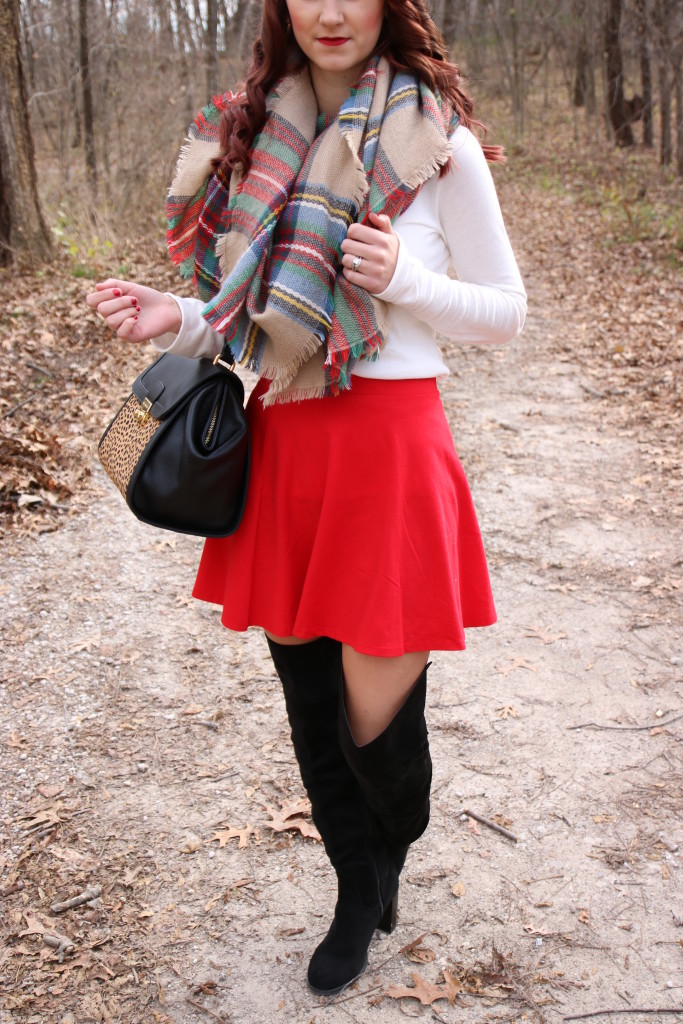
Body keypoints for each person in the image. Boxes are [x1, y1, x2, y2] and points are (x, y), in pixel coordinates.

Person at [87, 0, 526, 998]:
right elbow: (247, 314)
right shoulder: (253, 134)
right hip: (286, 444)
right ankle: (352, 884)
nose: (331, 10)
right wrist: (177, 316)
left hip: (388, 456)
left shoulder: (435, 142)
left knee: (375, 728)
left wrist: (406, 276)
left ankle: (392, 847)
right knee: (308, 702)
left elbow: (504, 313)